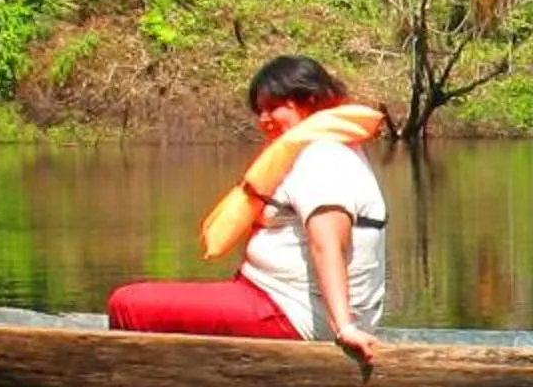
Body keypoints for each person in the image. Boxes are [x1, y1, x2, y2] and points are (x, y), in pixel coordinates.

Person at [106, 55, 388, 362]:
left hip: (291, 313)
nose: (263, 118)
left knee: (129, 304)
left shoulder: (323, 157)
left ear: (309, 99)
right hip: (270, 298)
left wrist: (344, 326)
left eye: (273, 107)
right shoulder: (321, 150)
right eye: (260, 109)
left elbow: (328, 244)